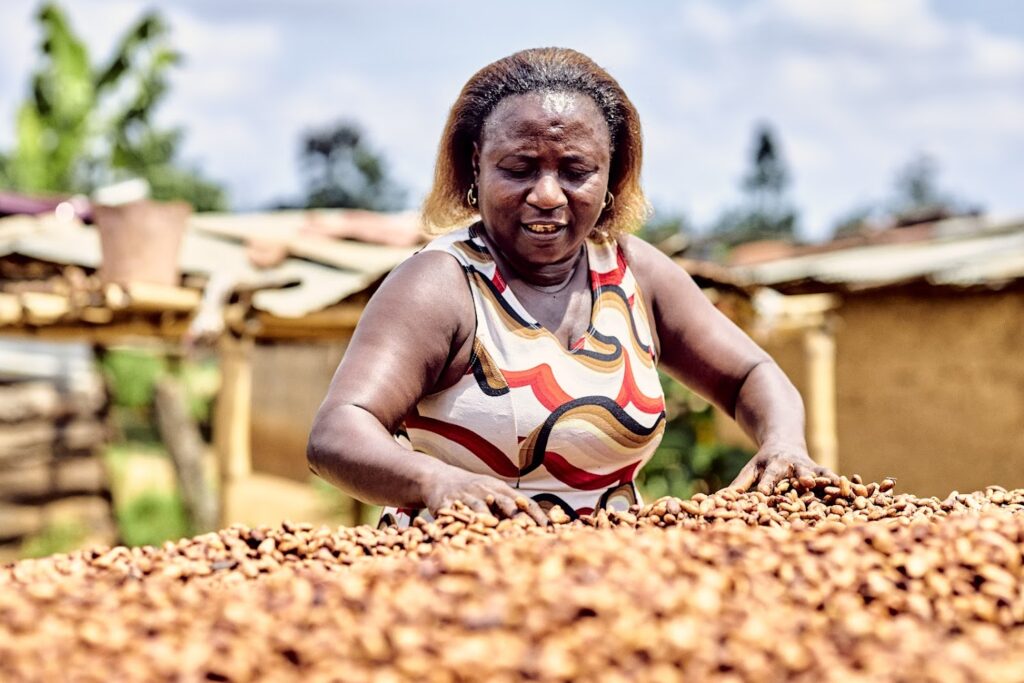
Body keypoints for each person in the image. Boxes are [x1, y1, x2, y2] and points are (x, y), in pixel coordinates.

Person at [307, 47, 836, 527]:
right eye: (519, 168)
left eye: (575, 170)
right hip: (452, 582)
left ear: (612, 175)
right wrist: (434, 481)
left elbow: (749, 374)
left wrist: (783, 442)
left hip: (605, 586)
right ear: (476, 164)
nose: (546, 195)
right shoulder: (441, 285)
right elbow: (338, 431)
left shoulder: (634, 273)